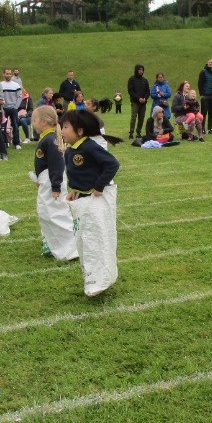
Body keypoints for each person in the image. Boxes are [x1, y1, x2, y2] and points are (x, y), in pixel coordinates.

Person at [60, 110, 121, 297]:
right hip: (82, 199)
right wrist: (74, 190)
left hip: (96, 200)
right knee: (85, 239)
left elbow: (112, 164)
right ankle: (93, 277)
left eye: (65, 127)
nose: (61, 131)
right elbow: (79, 174)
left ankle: (101, 279)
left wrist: (99, 186)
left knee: (97, 237)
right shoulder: (71, 150)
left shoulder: (89, 147)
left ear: (79, 131)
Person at [29, 105, 78, 260]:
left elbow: (57, 164)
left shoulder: (50, 140)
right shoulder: (46, 138)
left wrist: (55, 186)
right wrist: (39, 179)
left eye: (35, 120)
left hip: (52, 183)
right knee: (45, 213)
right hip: (47, 181)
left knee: (56, 213)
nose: (33, 123)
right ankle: (52, 244)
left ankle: (71, 249)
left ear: (44, 121)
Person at [126, 64, 150, 139]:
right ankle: (131, 132)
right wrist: (138, 98)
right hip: (135, 102)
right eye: (139, 70)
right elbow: (130, 91)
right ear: (136, 70)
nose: (141, 71)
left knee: (141, 117)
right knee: (134, 116)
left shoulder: (145, 80)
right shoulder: (131, 79)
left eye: (142, 70)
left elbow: (147, 91)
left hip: (143, 102)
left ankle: (138, 132)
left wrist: (145, 98)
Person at [1, 68, 23, 149]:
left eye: (10, 74)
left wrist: (16, 107)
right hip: (4, 108)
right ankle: (5, 142)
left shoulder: (15, 85)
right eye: (7, 73)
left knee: (15, 126)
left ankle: (16, 143)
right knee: (3, 126)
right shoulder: (1, 85)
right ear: (4, 74)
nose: (8, 75)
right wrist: (2, 105)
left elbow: (20, 96)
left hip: (13, 108)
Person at [197, 58, 212, 134]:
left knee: (211, 112)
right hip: (205, 95)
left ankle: (210, 129)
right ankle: (202, 129)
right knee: (204, 113)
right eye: (209, 62)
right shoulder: (203, 72)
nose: (210, 63)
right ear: (207, 63)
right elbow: (200, 83)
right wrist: (201, 94)